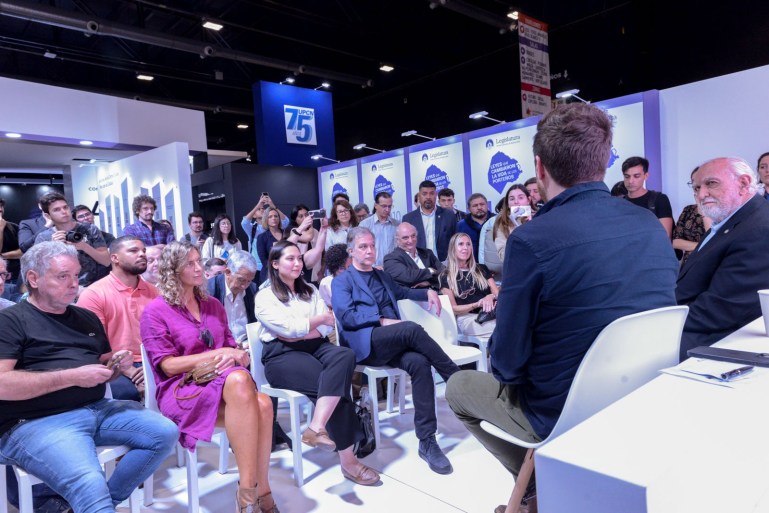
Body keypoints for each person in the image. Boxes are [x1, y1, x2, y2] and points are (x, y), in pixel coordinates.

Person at [445, 103, 678, 513]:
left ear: (540, 167)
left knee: (459, 388)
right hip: (641, 395)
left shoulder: (532, 240)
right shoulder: (649, 225)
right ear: (606, 161)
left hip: (561, 412)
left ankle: (539, 486)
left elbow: (507, 364)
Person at [0, 242, 178, 513]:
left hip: (97, 409)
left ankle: (97, 504)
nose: (74, 284)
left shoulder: (85, 318)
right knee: (89, 483)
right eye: (63, 276)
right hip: (34, 421)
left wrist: (116, 367)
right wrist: (72, 377)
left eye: (76, 276)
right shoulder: (11, 320)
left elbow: (103, 363)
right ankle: (95, 503)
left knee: (165, 432)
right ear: (33, 279)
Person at [140, 241, 278, 513]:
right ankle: (254, 491)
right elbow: (167, 366)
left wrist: (235, 354)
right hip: (182, 390)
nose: (198, 268)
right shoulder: (155, 311)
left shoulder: (212, 304)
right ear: (173, 269)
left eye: (199, 262)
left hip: (223, 385)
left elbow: (230, 346)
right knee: (243, 385)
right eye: (190, 264)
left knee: (263, 403)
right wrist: (220, 355)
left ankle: (252, 491)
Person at [332, 227, 460, 475]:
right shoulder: (342, 281)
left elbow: (402, 292)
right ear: (351, 251)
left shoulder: (381, 275)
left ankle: (427, 441)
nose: (369, 251)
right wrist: (380, 320)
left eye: (372, 246)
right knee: (410, 329)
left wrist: (428, 291)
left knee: (420, 364)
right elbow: (346, 316)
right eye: (363, 247)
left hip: (392, 342)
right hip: (368, 344)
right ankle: (454, 377)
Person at [255, 241, 381, 486]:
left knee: (344, 355)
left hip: (316, 346)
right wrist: (304, 327)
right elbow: (288, 331)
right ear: (274, 264)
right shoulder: (264, 296)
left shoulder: (310, 291)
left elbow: (326, 326)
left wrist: (301, 330)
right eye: (289, 259)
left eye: (298, 259)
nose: (296, 263)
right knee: (332, 386)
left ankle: (316, 425)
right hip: (281, 356)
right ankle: (349, 463)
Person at [676, 157, 769, 359]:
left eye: (711, 183)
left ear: (743, 184)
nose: (701, 194)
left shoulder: (759, 228)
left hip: (711, 338)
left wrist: (660, 325)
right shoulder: (734, 220)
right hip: (695, 322)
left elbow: (721, 309)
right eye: (697, 187)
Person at [77, 236, 157, 401]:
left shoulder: (156, 293)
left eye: (143, 250)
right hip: (114, 367)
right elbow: (94, 347)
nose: (142, 254)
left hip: (152, 362)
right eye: (133, 251)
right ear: (114, 258)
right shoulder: (94, 294)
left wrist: (152, 369)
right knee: (125, 394)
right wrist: (131, 372)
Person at [34, 191, 111, 286]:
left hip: (95, 285)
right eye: (57, 210)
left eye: (65, 207)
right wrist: (53, 247)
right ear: (47, 216)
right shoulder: (43, 237)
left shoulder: (90, 229)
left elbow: (106, 261)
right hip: (62, 288)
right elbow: (40, 271)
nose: (63, 212)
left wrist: (84, 246)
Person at [439, 232, 499, 337]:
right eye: (461, 244)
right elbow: (453, 308)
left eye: (468, 244)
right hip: (467, 318)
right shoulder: (446, 276)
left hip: (491, 313)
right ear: (453, 248)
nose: (465, 248)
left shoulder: (481, 269)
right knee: (505, 326)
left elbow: (497, 293)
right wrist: (477, 304)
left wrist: (490, 296)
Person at [401, 180, 457, 261]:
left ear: (436, 195)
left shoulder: (449, 215)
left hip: (445, 265)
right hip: (419, 267)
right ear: (419, 196)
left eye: (431, 193)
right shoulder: (408, 219)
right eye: (424, 194)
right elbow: (405, 247)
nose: (428, 197)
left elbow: (455, 241)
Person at [622, 156, 674, 239]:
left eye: (636, 176)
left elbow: (665, 237)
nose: (631, 181)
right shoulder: (620, 203)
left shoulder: (659, 200)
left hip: (653, 250)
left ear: (646, 176)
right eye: (627, 176)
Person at [241, 195, 289, 284]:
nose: (262, 210)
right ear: (254, 214)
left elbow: (286, 221)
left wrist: (271, 205)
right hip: (257, 266)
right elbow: (245, 222)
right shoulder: (253, 228)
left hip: (280, 267)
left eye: (263, 208)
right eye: (259, 209)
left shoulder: (278, 228)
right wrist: (258, 204)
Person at [383, 222, 444, 289]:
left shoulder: (427, 253)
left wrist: (430, 282)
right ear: (397, 240)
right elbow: (408, 277)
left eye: (413, 236)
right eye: (405, 238)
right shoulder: (390, 259)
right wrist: (430, 271)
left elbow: (445, 273)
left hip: (436, 293)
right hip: (412, 298)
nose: (411, 240)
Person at [672, 167, 711, 265]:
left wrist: (702, 207)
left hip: (709, 263)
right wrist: (703, 246)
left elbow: (712, 238)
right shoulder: (688, 210)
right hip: (688, 264)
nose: (695, 186)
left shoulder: (719, 210)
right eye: (693, 182)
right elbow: (676, 242)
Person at [359, 191, 400, 266]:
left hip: (393, 269)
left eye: (389, 206)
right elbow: (361, 250)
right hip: (372, 269)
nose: (387, 209)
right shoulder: (365, 225)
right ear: (375, 205)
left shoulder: (397, 225)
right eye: (384, 206)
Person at [493, 184, 531, 264]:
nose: (516, 202)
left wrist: (533, 225)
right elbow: (503, 256)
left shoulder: (540, 217)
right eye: (512, 199)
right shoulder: (502, 223)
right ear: (508, 203)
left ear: (528, 200)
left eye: (520, 197)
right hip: (517, 268)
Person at [456, 193, 492, 257]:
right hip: (470, 264)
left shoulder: (497, 221)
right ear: (468, 209)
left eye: (482, 204)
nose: (479, 207)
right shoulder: (460, 226)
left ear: (487, 205)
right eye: (475, 205)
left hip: (494, 264)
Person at [256, 207, 285, 283]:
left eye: (276, 216)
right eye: (270, 217)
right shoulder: (262, 237)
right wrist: (277, 268)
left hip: (286, 271)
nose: (274, 218)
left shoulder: (286, 234)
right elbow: (264, 260)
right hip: (269, 274)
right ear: (266, 219)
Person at [318, 243, 350, 308]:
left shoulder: (358, 279)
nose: (347, 271)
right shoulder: (326, 283)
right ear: (334, 269)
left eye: (349, 267)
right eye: (342, 268)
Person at [0, 198, 21, 292]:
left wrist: (2, 256)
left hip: (15, 277)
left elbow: (23, 251)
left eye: (1, 206)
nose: (0, 209)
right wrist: (0, 229)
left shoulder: (14, 227)